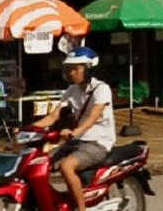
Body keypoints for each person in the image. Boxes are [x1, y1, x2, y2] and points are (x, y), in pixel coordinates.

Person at [32, 47, 115, 211]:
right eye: (69, 68)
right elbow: (53, 116)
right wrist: (28, 129)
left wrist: (76, 131)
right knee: (40, 163)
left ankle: (81, 208)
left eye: (76, 68)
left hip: (98, 142)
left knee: (66, 166)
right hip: (76, 141)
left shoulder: (101, 89)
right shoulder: (72, 90)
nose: (71, 73)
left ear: (89, 68)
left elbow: (93, 116)